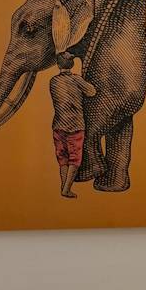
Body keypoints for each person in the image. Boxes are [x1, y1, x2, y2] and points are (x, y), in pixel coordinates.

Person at [48, 52, 97, 199]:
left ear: (58, 65)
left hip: (58, 124)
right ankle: (66, 189)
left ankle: (64, 186)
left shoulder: (53, 81)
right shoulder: (76, 79)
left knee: (62, 156)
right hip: (75, 125)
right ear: (72, 65)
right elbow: (92, 92)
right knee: (75, 158)